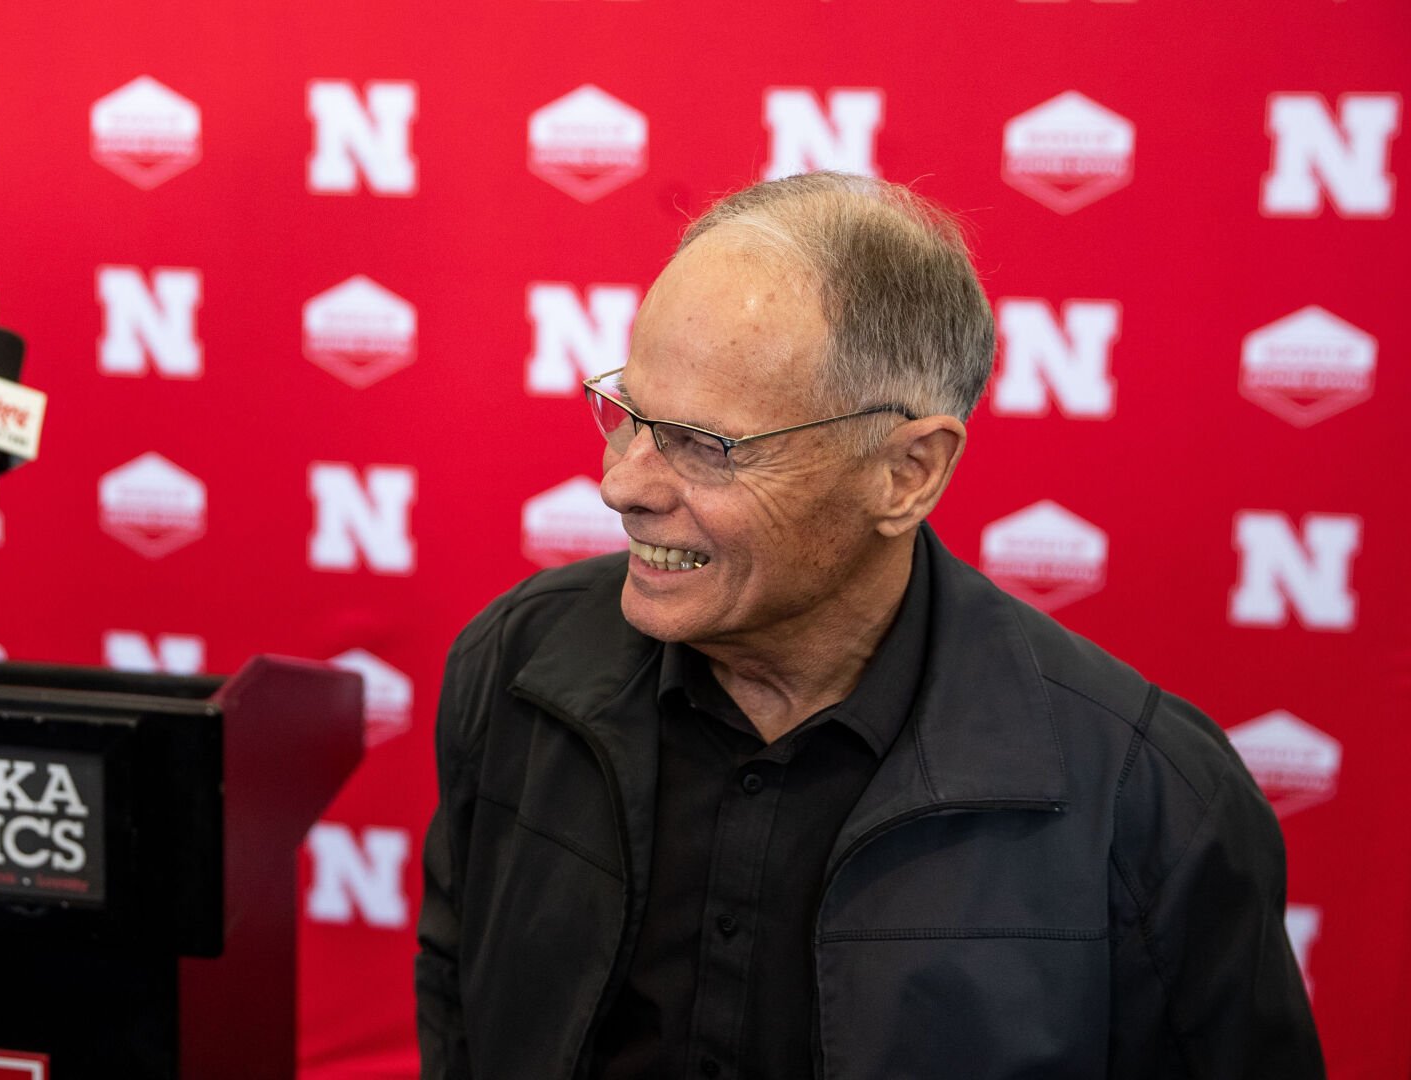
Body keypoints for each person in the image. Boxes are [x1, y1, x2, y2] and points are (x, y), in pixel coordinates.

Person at [415, 172, 1323, 1080]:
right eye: (629, 413)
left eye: (707, 445)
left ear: (907, 474)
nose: (624, 484)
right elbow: (459, 998)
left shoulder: (1154, 804)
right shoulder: (514, 667)